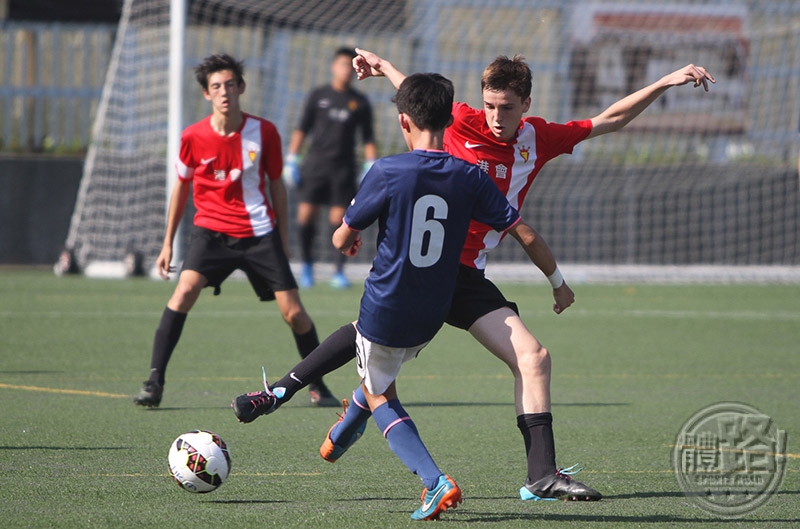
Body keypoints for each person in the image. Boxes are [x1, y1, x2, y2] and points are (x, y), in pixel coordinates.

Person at [233, 49, 715, 502]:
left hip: (466, 278)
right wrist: (385, 67)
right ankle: (318, 402)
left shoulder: (538, 138)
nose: (495, 117)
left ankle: (540, 476)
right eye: (489, 105)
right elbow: (419, 107)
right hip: (421, 270)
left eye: (506, 107)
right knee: (375, 355)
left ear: (526, 104)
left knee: (534, 356)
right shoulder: (460, 120)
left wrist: (666, 81)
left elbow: (609, 119)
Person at [237, 72, 521, 520]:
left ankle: (434, 481)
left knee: (380, 392)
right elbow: (509, 223)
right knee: (370, 358)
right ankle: (299, 405)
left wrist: (348, 238)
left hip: (387, 303)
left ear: (403, 121)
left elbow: (340, 237)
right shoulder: (469, 175)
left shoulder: (388, 169)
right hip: (434, 311)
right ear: (449, 118)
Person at [133, 54, 338, 409]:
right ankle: (154, 382)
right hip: (210, 233)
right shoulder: (192, 137)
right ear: (206, 94)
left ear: (241, 87)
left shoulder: (265, 132)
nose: (224, 92)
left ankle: (317, 384)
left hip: (260, 233)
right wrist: (167, 243)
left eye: (230, 84)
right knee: (183, 292)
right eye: (216, 86)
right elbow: (181, 188)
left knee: (294, 313)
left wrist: (283, 239)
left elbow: (277, 185)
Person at [283, 47, 378, 289]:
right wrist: (291, 158)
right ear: (333, 67)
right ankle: (306, 267)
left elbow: (368, 138)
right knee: (306, 216)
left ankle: (338, 271)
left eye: (350, 66)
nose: (346, 70)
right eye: (342, 65)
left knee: (340, 220)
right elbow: (302, 129)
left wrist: (371, 164)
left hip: (343, 170)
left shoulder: (359, 102)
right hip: (315, 166)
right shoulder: (318, 96)